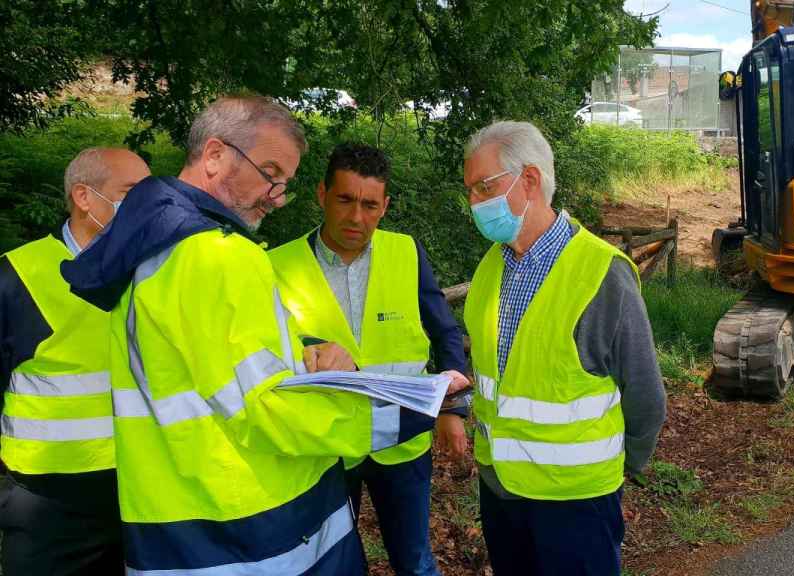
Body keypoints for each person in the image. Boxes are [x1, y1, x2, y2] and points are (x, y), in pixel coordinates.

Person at [61, 95, 437, 575]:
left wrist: (300, 354)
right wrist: (406, 410)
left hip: (176, 526)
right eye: (270, 172)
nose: (276, 195)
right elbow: (262, 408)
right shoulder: (220, 255)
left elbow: (206, 372)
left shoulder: (151, 250)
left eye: (284, 183)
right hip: (255, 532)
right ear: (215, 155)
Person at [461, 120, 667, 575]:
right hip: (501, 493)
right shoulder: (491, 268)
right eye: (470, 191)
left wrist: (618, 471)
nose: (474, 202)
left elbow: (647, 398)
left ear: (529, 180)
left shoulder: (600, 272)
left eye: (483, 187)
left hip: (576, 503)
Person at [269, 142, 470, 576]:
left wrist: (454, 407)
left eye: (369, 205)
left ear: (385, 207)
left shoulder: (406, 253)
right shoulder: (275, 266)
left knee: (414, 561)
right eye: (344, 200)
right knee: (329, 561)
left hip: (402, 441)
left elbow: (444, 332)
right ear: (322, 195)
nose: (356, 217)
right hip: (327, 446)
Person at [0, 147, 150, 575]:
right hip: (47, 509)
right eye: (131, 194)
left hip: (139, 495)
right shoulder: (16, 277)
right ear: (85, 197)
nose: (145, 208)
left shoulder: (154, 273)